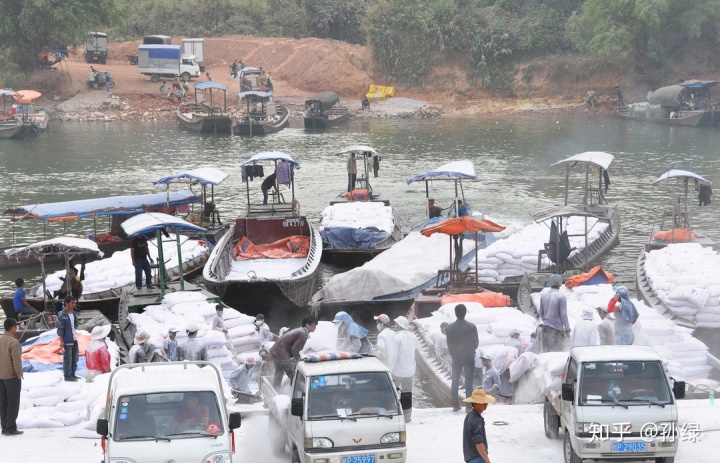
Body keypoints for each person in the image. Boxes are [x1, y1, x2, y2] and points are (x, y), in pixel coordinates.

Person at [446, 304, 479, 412]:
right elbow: (476, 343)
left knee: (455, 380)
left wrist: (454, 353)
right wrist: (469, 350)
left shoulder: (449, 328)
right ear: (465, 313)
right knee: (469, 381)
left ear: (455, 313)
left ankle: (455, 405)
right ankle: (469, 406)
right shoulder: (472, 327)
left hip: (456, 357)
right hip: (469, 357)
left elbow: (449, 344)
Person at [269, 315, 318, 388]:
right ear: (308, 325)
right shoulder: (304, 334)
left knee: (279, 372)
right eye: (314, 325)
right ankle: (301, 392)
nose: (315, 328)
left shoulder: (301, 330)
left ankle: (276, 389)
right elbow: (294, 349)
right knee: (293, 374)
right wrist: (299, 360)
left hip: (275, 351)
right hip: (281, 353)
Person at [389, 316, 416, 422]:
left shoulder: (396, 338)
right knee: (407, 393)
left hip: (397, 371)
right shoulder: (413, 337)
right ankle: (407, 417)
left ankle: (394, 414)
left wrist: (389, 369)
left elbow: (393, 356)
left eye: (396, 324)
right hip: (410, 371)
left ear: (399, 325)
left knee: (393, 392)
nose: (395, 326)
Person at [0, 318, 23, 436]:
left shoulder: (0, 339)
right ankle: (11, 428)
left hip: (1, 377)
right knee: (13, 402)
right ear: (13, 327)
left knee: (3, 403)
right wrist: (19, 375)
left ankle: (4, 427)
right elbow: (16, 361)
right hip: (11, 377)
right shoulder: (13, 342)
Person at [537, 274, 570, 353]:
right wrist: (567, 327)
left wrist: (546, 320)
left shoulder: (544, 296)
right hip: (556, 329)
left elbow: (541, 312)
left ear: (550, 283)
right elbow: (563, 314)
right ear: (560, 283)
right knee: (557, 354)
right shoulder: (561, 297)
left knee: (546, 352)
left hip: (545, 328)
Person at [462, 389, 496, 463]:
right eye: (482, 402)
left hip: (470, 457)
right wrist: (487, 460)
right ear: (474, 403)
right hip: (477, 458)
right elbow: (478, 442)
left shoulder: (469, 415)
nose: (485, 404)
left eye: (485, 402)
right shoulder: (477, 420)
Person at [55, 296, 79, 382]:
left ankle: (73, 374)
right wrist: (61, 341)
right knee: (67, 358)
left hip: (74, 339)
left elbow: (76, 323)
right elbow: (60, 329)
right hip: (67, 340)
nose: (74, 305)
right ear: (67, 303)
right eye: (72, 303)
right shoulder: (62, 315)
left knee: (75, 358)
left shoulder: (73, 313)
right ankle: (67, 376)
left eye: (74, 303)